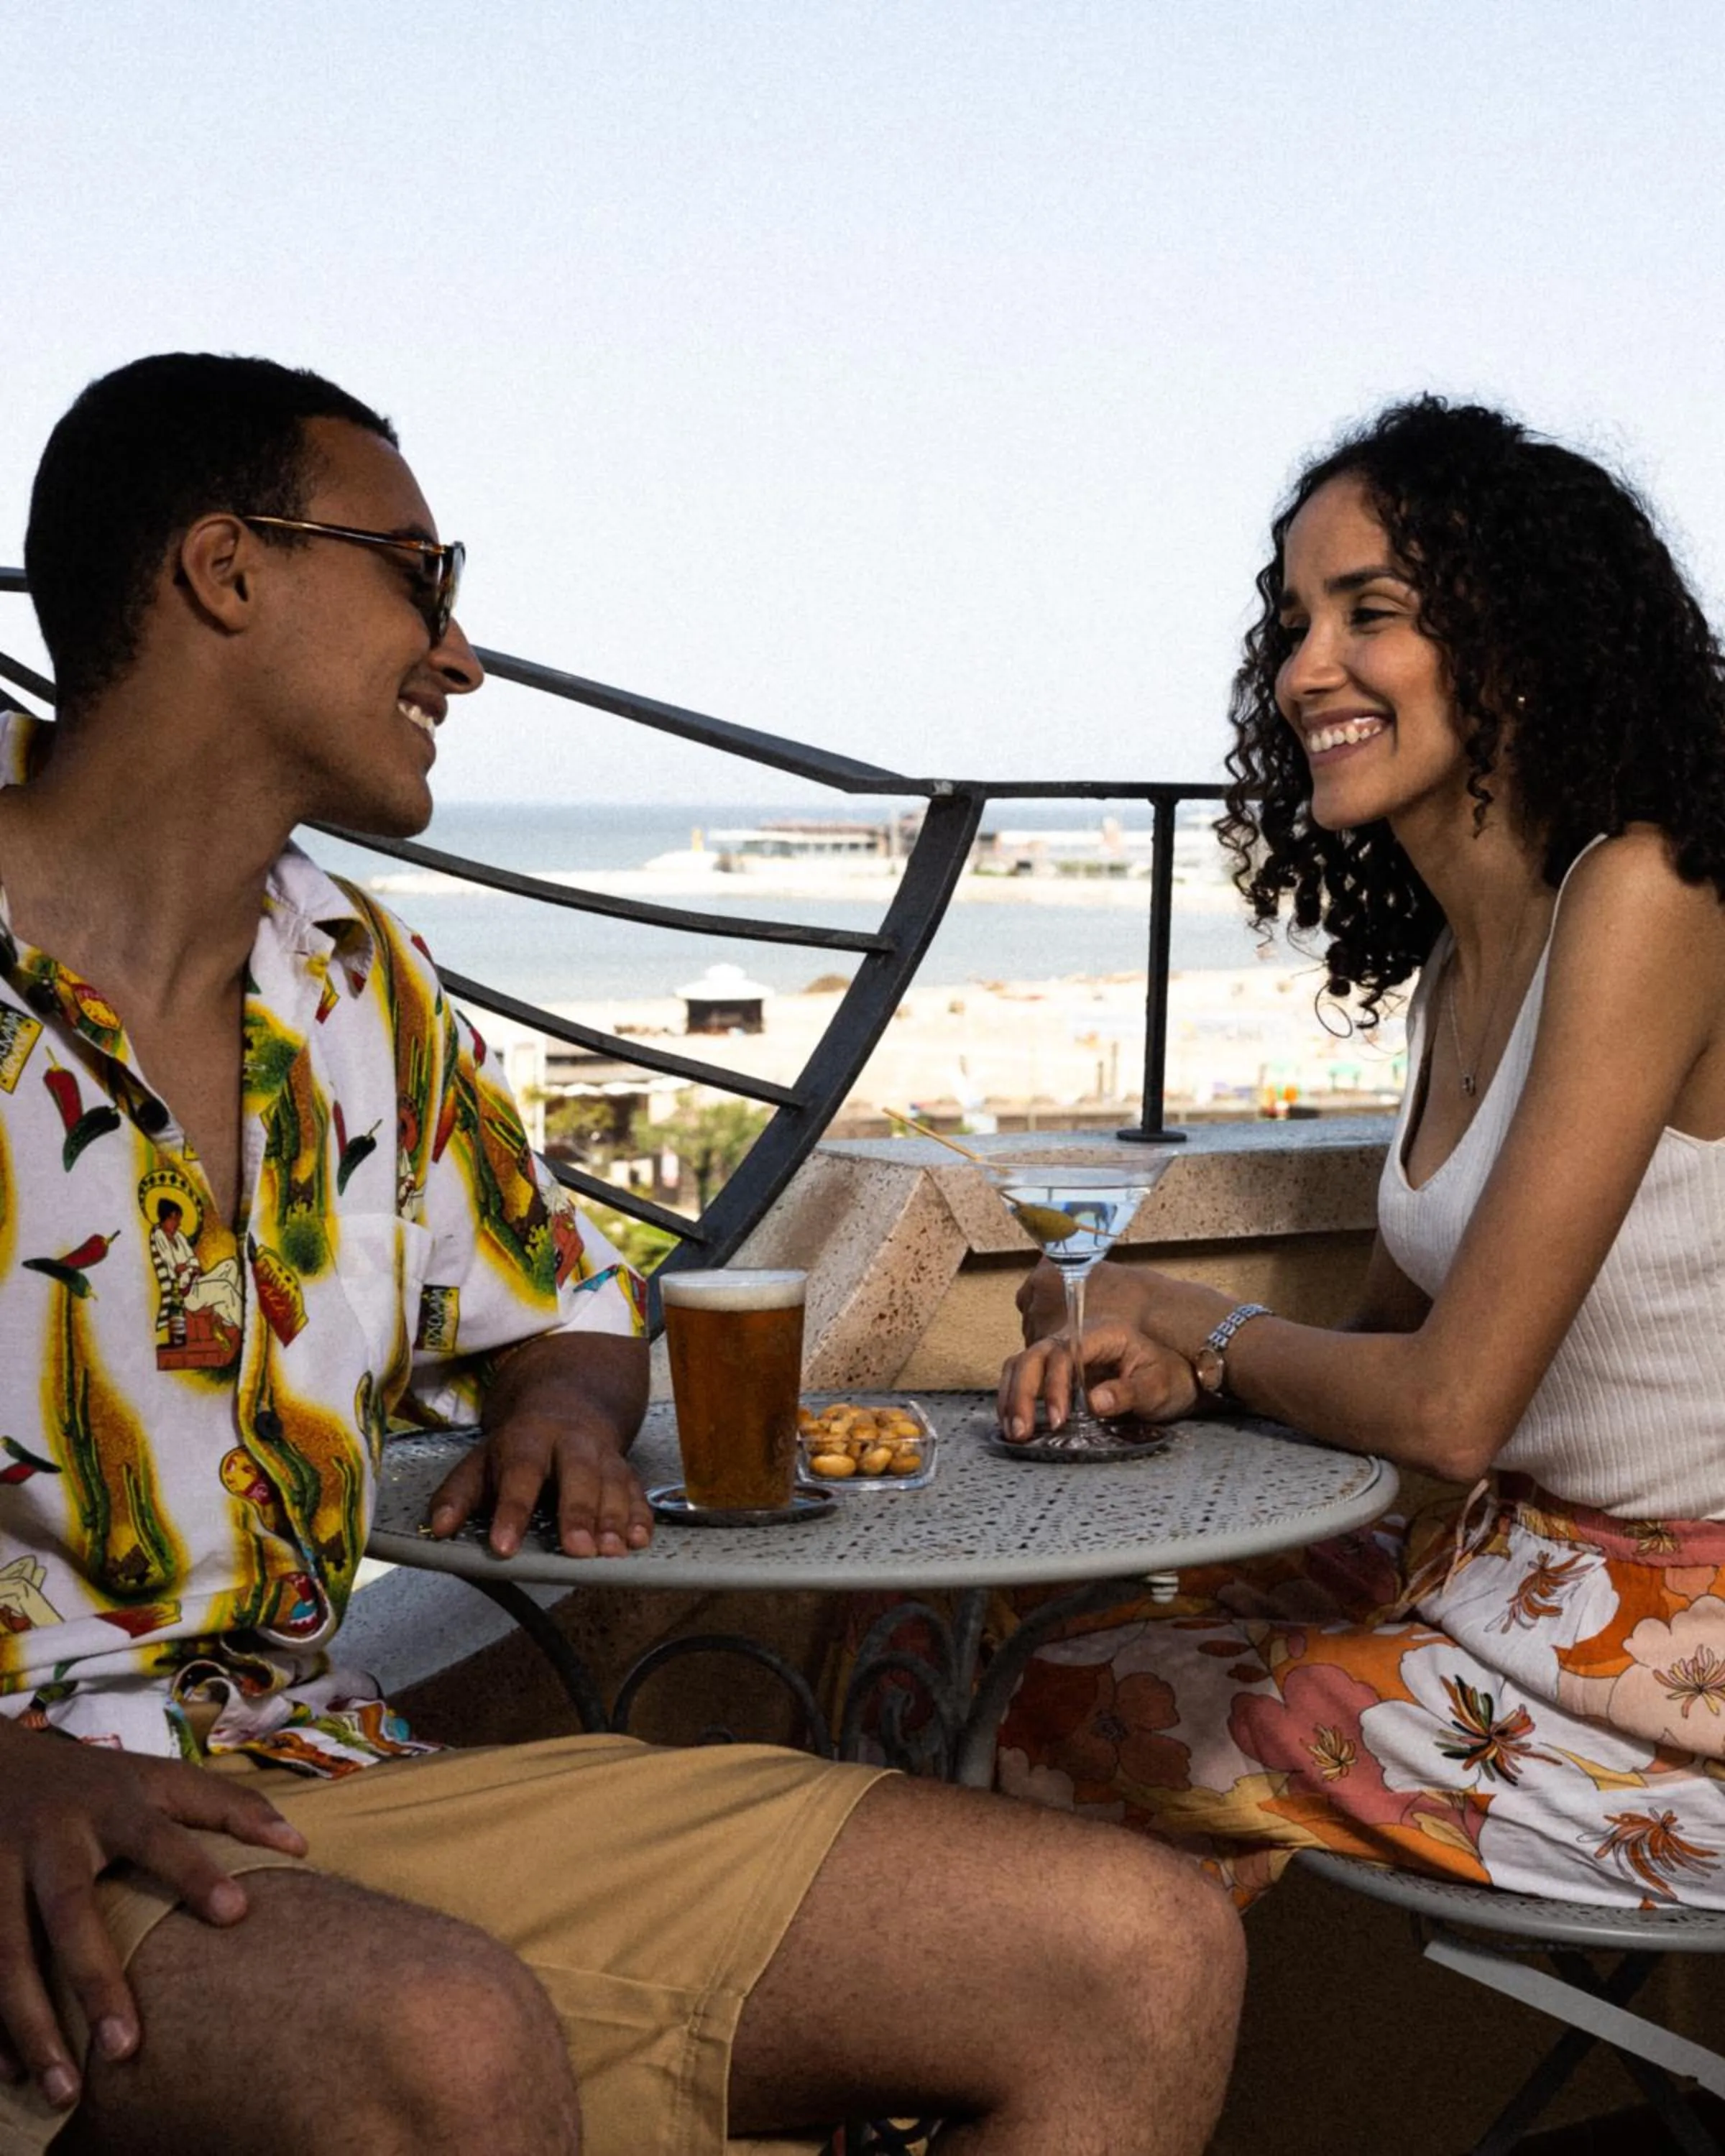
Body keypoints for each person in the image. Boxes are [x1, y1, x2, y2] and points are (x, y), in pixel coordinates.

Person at [0, 353, 1243, 2156]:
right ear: (227, 570)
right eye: (422, 577)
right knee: (446, 2043)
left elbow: (567, 1296)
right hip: (37, 1823)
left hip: (303, 1770)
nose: (462, 654)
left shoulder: (358, 990)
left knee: (1138, 1951)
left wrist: (566, 1409)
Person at [998, 397, 1725, 1913]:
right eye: (1294, 620)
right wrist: (1176, 1359)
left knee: (1097, 1691)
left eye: (1369, 613)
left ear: (1518, 642)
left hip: (1676, 1660)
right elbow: (1383, 1367)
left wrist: (1211, 1321)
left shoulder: (1651, 895)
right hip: (1502, 1577)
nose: (1302, 666)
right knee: (982, 1627)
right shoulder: (1464, 966)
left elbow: (1452, 1409)